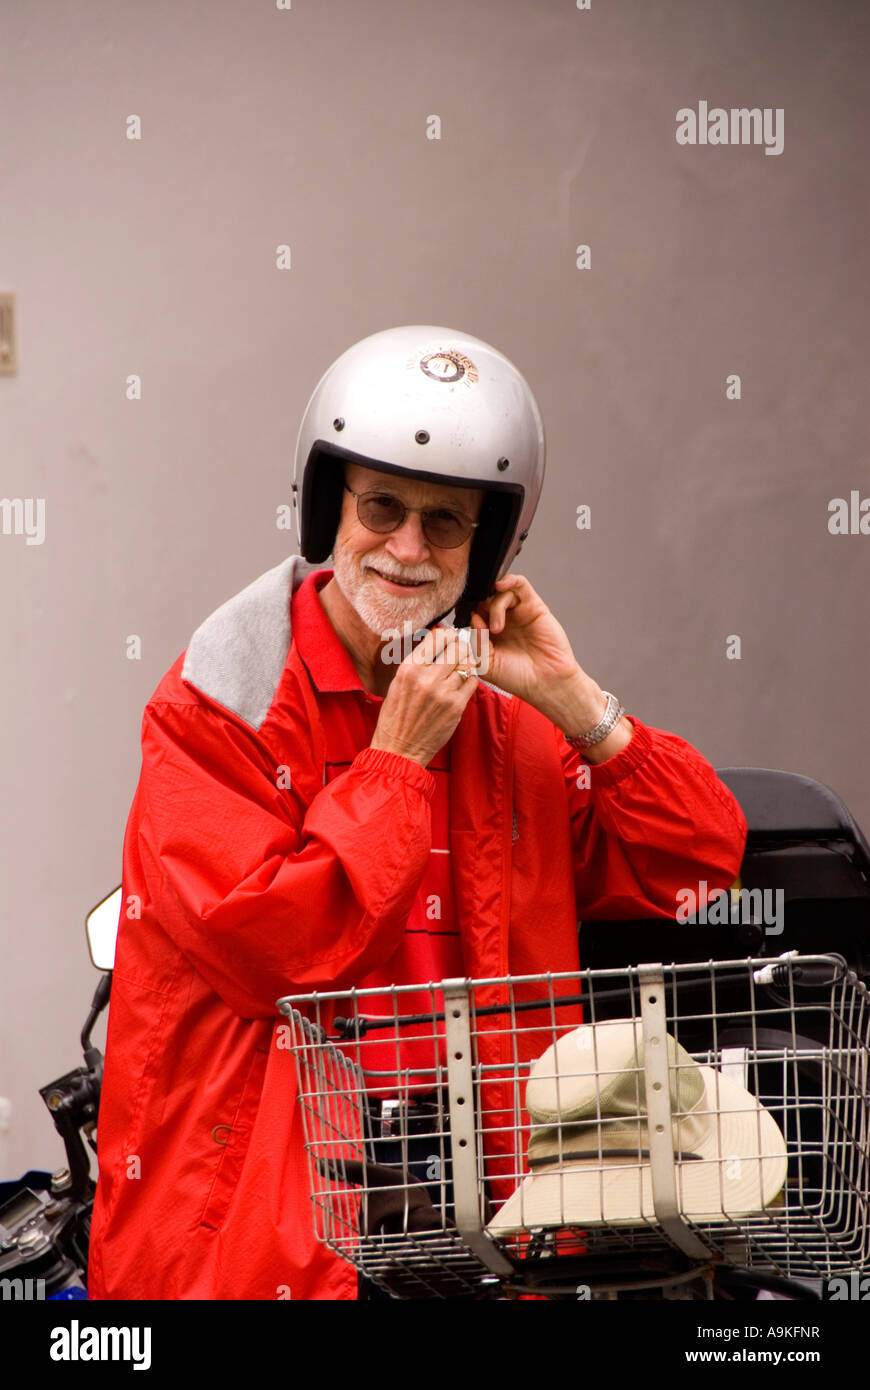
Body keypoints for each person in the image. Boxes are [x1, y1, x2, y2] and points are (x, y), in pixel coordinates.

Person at [87, 325, 747, 1301]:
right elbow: (271, 951)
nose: (407, 547)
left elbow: (693, 866)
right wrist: (396, 762)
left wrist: (574, 699)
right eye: (382, 506)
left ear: (489, 548)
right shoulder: (220, 700)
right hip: (264, 1249)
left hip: (486, 1230)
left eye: (445, 522)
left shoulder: (511, 720)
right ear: (328, 507)